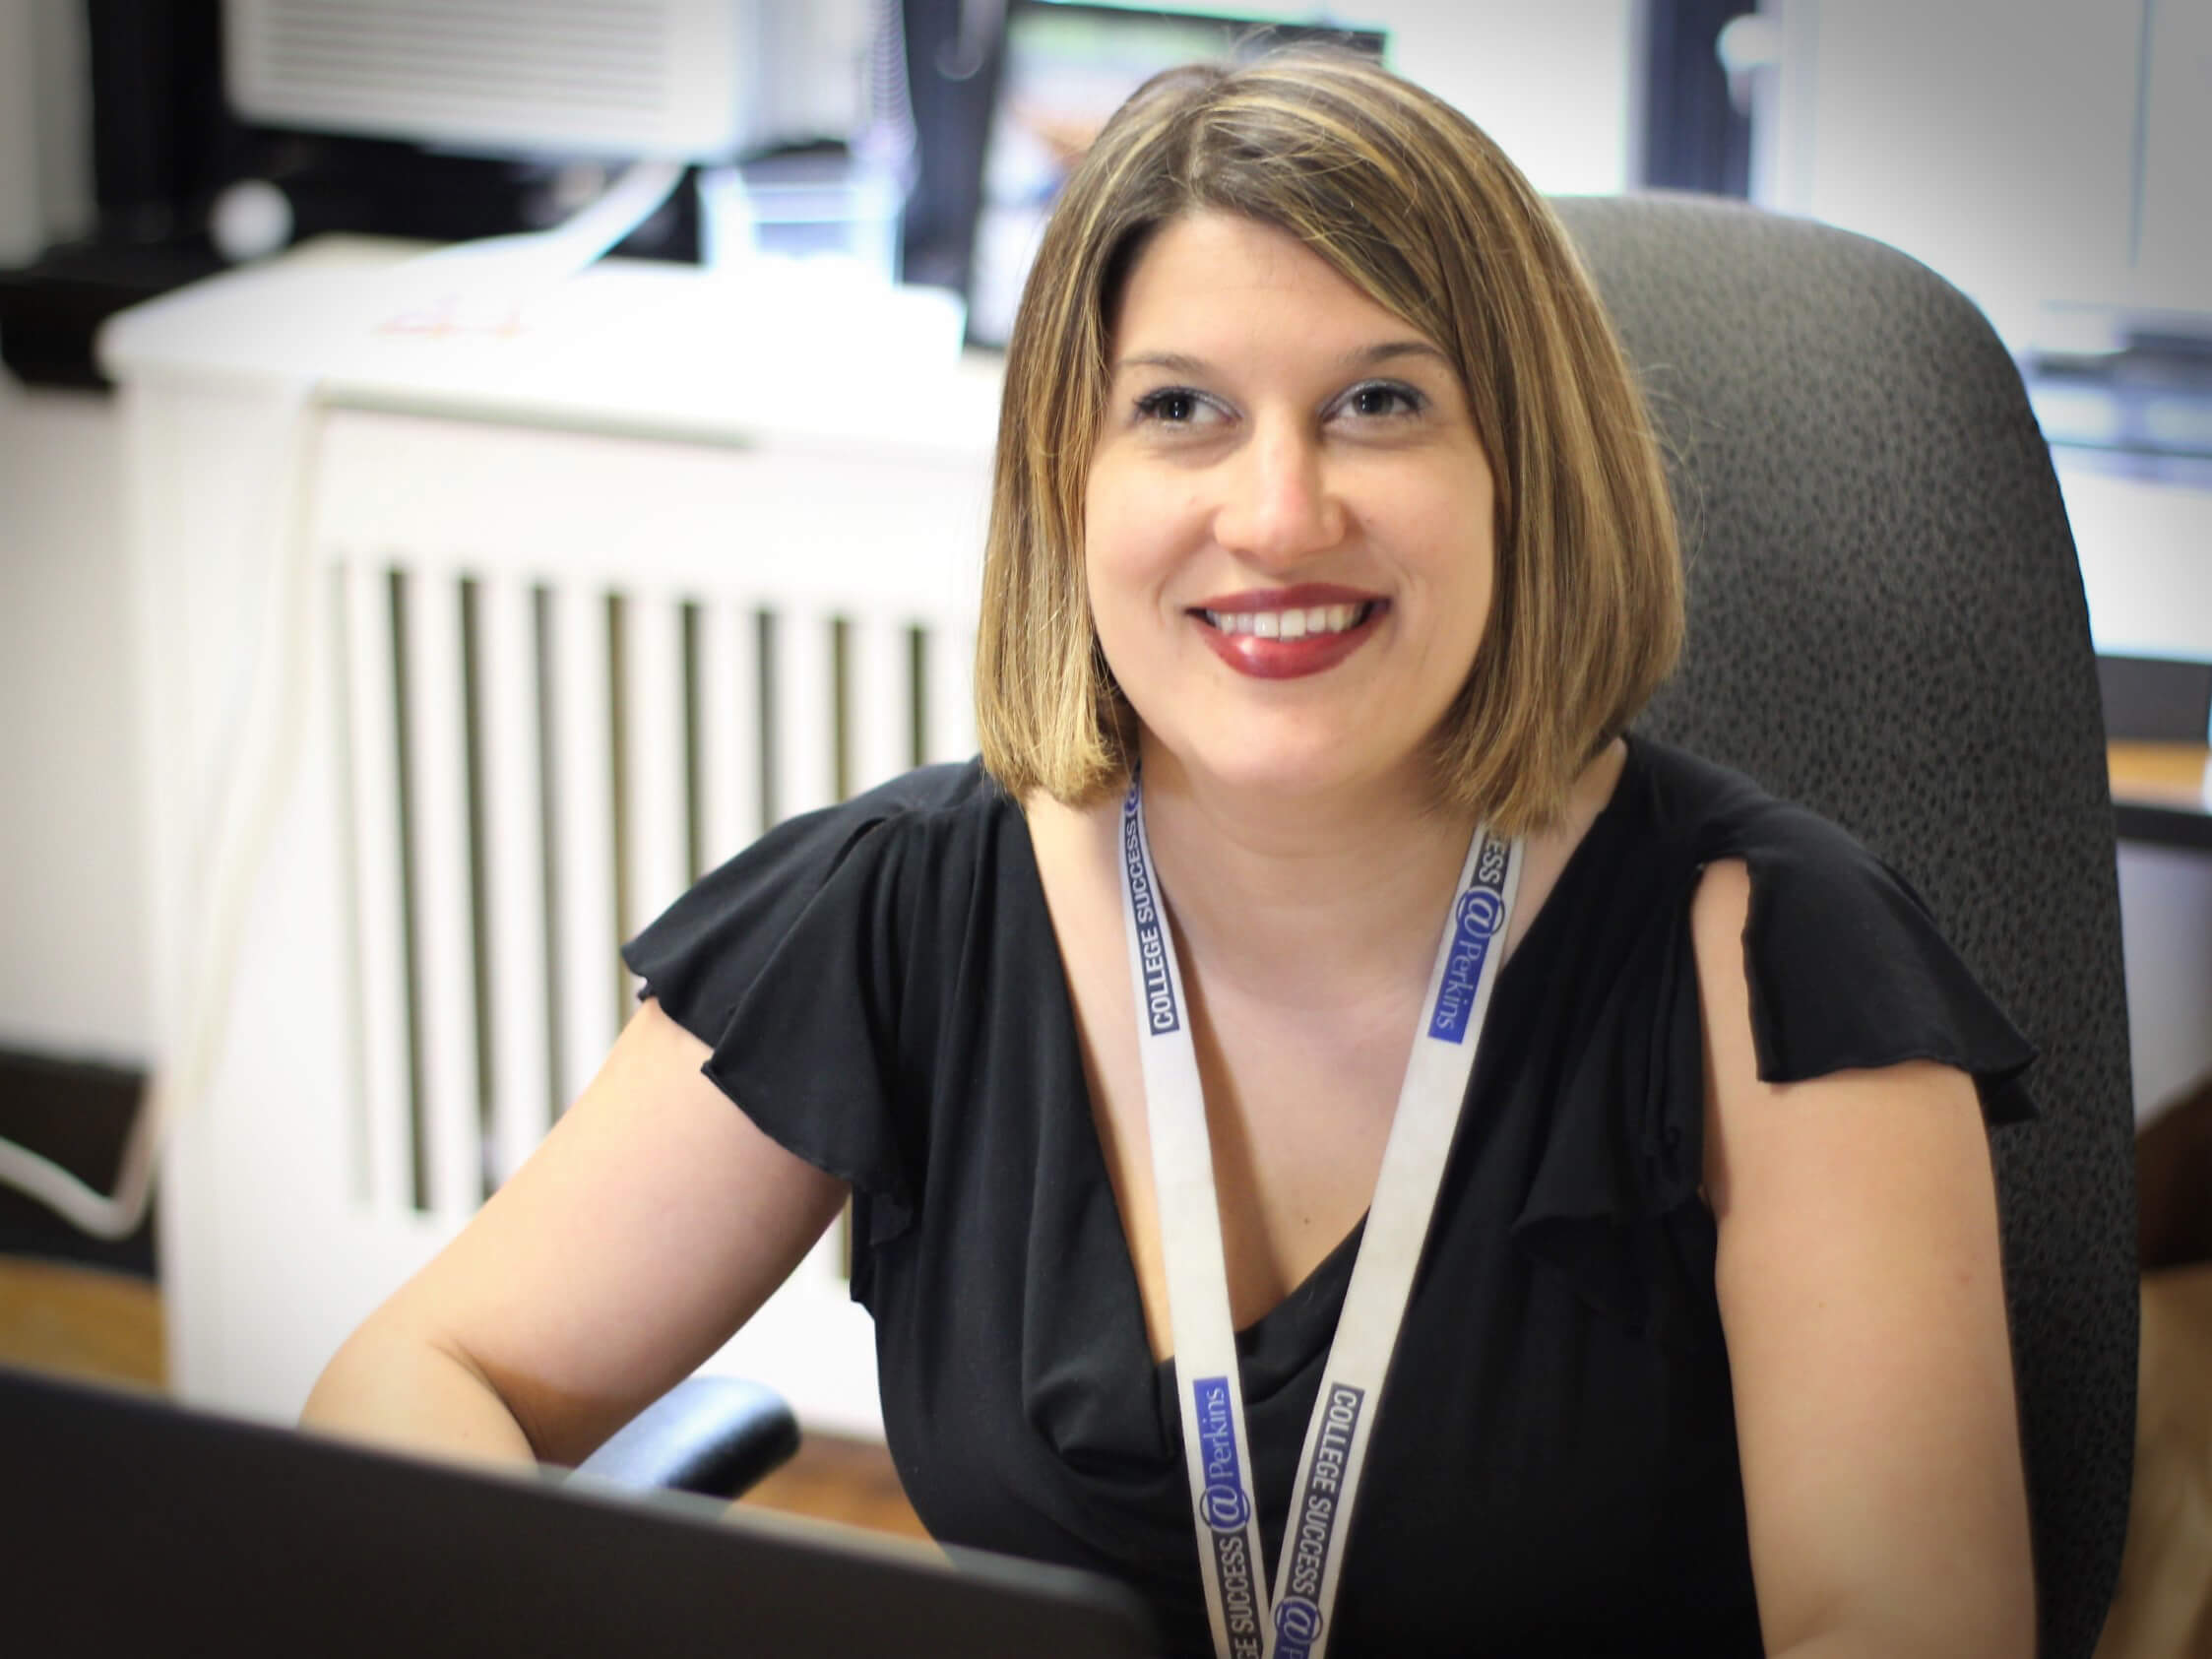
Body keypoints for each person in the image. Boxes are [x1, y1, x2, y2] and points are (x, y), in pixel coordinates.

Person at [303, 51, 2039, 1658]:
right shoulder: (905, 910)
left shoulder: (1774, 965)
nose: (1278, 512)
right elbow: (422, 1372)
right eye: (1183, 410)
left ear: (1527, 469)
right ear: (1072, 478)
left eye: (1379, 401)